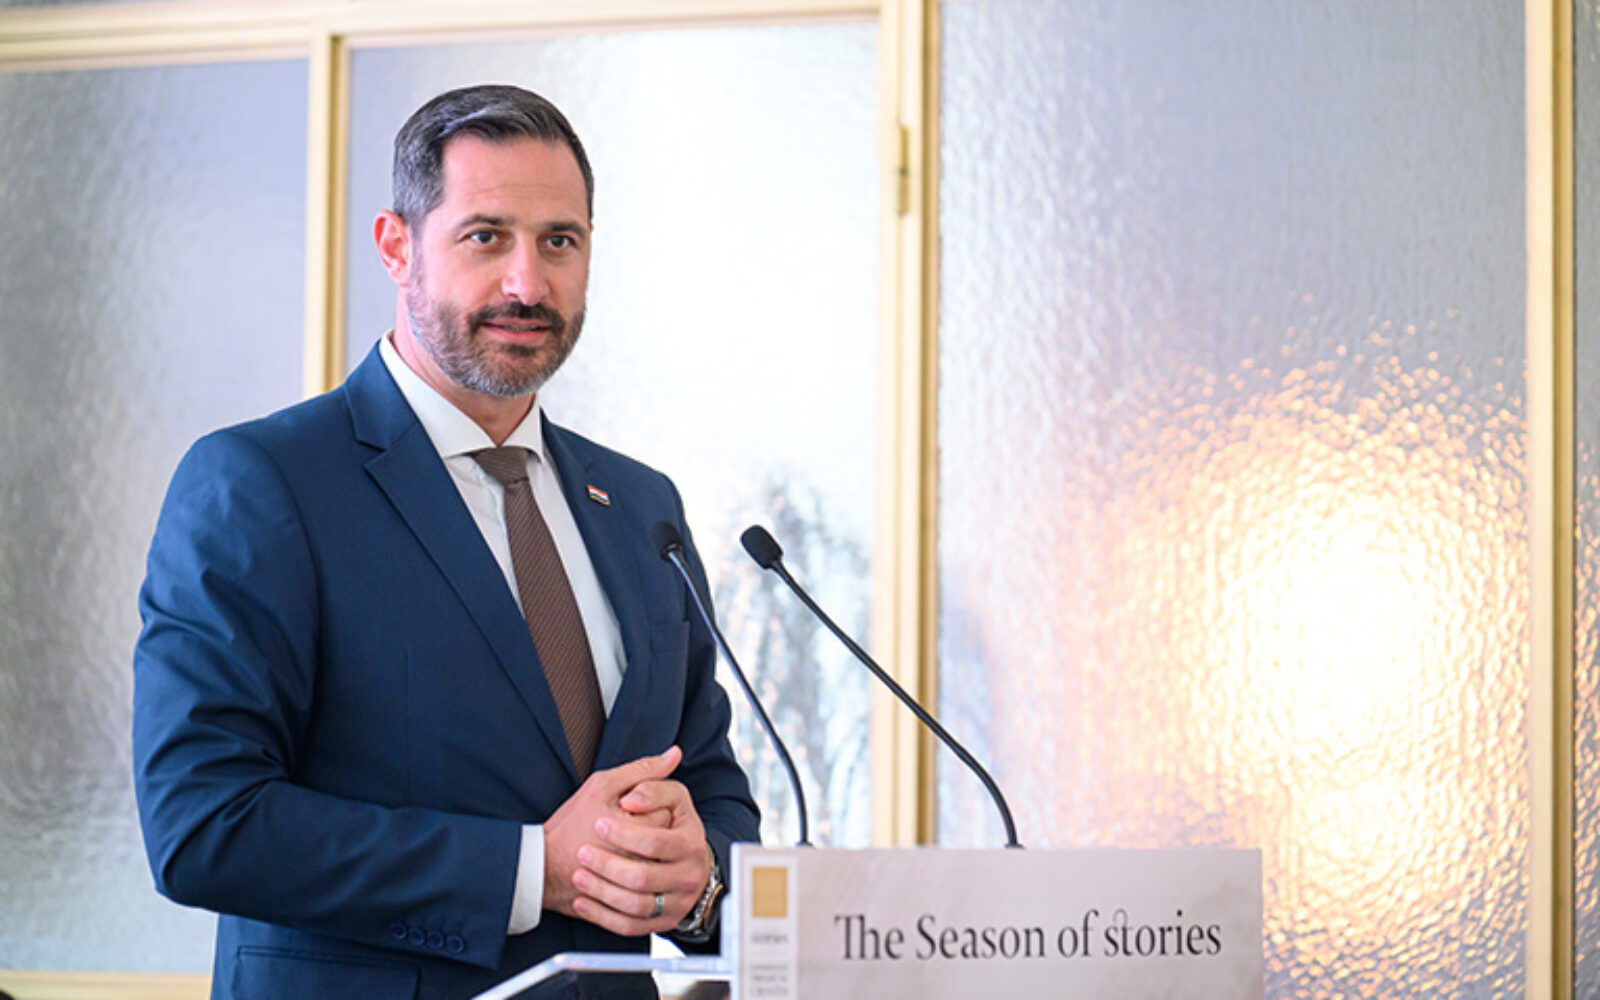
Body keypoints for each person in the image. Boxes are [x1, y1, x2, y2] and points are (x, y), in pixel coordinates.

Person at [132, 84, 759, 1000]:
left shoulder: (640, 505)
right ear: (397, 247)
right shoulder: (263, 483)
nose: (527, 284)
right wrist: (530, 869)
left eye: (559, 241)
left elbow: (709, 790)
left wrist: (700, 890)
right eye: (486, 237)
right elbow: (204, 823)